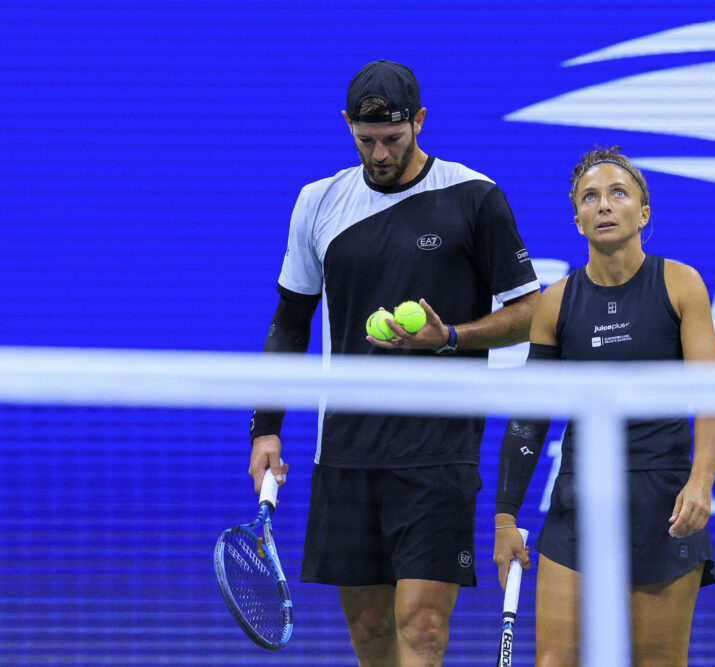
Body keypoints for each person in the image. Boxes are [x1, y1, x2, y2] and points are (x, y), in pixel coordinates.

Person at [248, 59, 540, 666]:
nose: (380, 154)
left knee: (424, 627)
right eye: (366, 140)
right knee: (373, 632)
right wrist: (266, 427)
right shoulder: (317, 203)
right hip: (348, 450)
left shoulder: (474, 198)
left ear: (420, 122)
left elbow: (531, 312)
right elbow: (290, 320)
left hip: (439, 451)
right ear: (348, 127)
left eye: (394, 139)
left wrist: (452, 337)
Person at [493, 146, 715, 666]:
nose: (603, 205)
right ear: (576, 220)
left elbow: (711, 399)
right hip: (580, 499)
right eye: (589, 197)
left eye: (618, 193)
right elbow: (530, 416)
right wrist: (505, 517)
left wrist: (701, 484)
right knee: (555, 661)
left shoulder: (681, 284)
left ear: (643, 212)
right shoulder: (556, 300)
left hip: (662, 500)